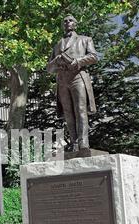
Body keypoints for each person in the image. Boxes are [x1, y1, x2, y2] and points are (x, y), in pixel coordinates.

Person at [47, 15, 98, 153]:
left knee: (80, 110)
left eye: (70, 20)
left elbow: (93, 57)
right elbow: (49, 68)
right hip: (63, 80)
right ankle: (74, 143)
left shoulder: (85, 39)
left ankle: (83, 144)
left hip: (78, 77)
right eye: (65, 21)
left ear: (75, 24)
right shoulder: (57, 44)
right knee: (68, 113)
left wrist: (77, 61)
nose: (67, 22)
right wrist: (56, 61)